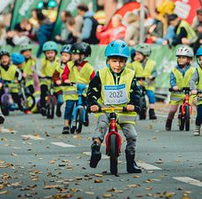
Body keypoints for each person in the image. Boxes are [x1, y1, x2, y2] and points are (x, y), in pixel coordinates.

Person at [87, 40, 142, 174]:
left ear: (126, 62)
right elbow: (92, 91)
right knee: (101, 125)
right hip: (105, 108)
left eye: (121, 61)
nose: (118, 65)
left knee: (132, 135)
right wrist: (93, 104)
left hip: (124, 111)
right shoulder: (101, 74)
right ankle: (96, 148)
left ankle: (130, 162)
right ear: (108, 61)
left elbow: (136, 92)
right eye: (114, 61)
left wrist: (134, 105)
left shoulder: (130, 74)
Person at [60, 43, 95, 134]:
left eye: (74, 54)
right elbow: (64, 74)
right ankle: (66, 125)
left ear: (82, 56)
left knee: (86, 104)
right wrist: (65, 79)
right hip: (71, 92)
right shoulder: (69, 64)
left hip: (83, 91)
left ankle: (85, 114)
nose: (72, 56)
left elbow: (94, 79)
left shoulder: (89, 67)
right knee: (69, 108)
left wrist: (93, 85)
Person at [166, 45, 195, 131]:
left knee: (198, 103)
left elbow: (196, 79)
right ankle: (169, 120)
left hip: (189, 93)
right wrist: (173, 86)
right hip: (177, 93)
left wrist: (195, 88)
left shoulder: (193, 70)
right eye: (179, 57)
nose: (180, 59)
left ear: (189, 60)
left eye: (183, 58)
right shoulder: (174, 70)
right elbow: (172, 80)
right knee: (173, 110)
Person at [129, 43, 158, 120]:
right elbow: (130, 71)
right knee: (135, 95)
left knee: (151, 95)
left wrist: (152, 76)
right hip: (138, 83)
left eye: (138, 55)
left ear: (145, 55)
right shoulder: (133, 64)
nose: (136, 57)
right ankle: (136, 108)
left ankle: (152, 111)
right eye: (135, 55)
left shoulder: (152, 63)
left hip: (148, 84)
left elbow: (155, 72)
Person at [38, 41, 60, 115]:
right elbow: (38, 69)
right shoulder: (42, 61)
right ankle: (43, 106)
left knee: (57, 93)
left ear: (55, 53)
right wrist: (41, 75)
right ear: (45, 54)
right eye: (47, 53)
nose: (50, 55)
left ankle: (58, 108)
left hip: (55, 80)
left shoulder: (59, 60)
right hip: (45, 80)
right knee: (43, 91)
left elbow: (62, 69)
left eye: (51, 53)